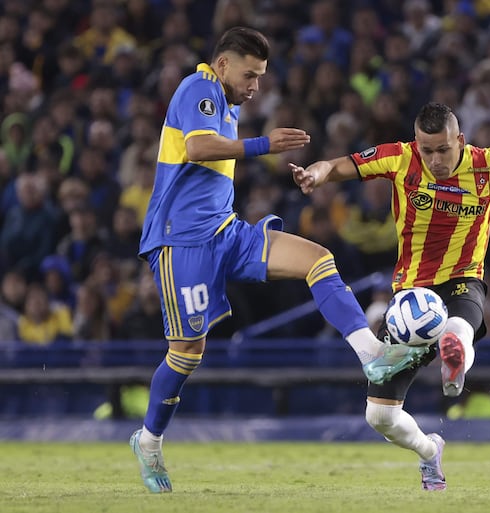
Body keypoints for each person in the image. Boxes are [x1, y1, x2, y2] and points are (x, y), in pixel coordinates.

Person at [129, 27, 427, 494]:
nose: (256, 87)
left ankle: (372, 355)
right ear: (224, 64)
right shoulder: (199, 87)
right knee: (188, 352)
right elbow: (197, 148)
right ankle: (148, 441)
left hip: (225, 231)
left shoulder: (225, 102)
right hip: (180, 244)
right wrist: (262, 145)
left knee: (317, 258)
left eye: (261, 77)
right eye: (250, 75)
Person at [291, 102, 490, 491]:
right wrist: (316, 173)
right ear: (417, 144)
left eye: (443, 149)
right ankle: (430, 452)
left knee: (461, 324)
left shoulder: (488, 164)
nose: (435, 159)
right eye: (427, 150)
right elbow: (343, 164)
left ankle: (453, 360)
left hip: (463, 279)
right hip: (411, 297)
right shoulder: (401, 158)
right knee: (379, 417)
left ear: (459, 140)